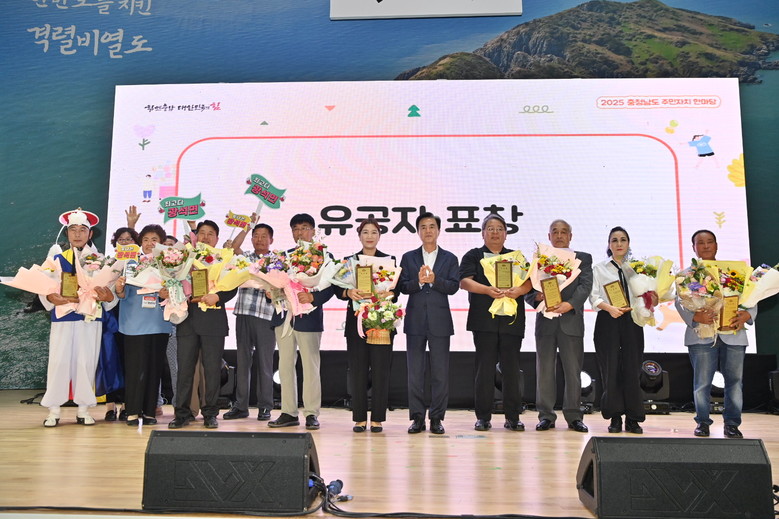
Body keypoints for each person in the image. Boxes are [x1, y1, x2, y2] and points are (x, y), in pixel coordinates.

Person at [39, 208, 117, 427]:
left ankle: (83, 409)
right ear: (67, 233)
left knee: (86, 362)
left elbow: (109, 295)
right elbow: (44, 287)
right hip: (63, 317)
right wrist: (50, 297)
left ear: (90, 234)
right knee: (59, 361)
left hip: (89, 318)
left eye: (83, 230)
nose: (77, 234)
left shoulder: (101, 261)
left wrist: (109, 297)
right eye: (73, 229)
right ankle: (54, 410)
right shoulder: (55, 258)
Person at [675, 229, 754, 438]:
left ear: (716, 245)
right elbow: (679, 302)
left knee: (734, 382)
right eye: (700, 243)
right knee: (702, 383)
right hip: (701, 336)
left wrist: (748, 314)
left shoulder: (733, 271)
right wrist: (695, 317)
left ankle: (732, 424)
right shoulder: (686, 276)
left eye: (710, 241)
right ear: (693, 247)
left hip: (733, 333)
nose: (706, 246)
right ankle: (702, 423)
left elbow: (751, 294)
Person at [459, 214, 532, 432]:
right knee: (484, 369)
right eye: (490, 228)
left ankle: (513, 417)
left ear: (506, 233)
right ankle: (483, 417)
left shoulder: (516, 257)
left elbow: (530, 281)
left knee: (511, 370)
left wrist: (519, 290)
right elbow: (464, 282)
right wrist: (487, 290)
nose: (495, 232)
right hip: (484, 320)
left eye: (499, 228)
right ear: (483, 233)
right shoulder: (473, 255)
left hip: (512, 320)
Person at [167, 220, 237, 429]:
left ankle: (210, 413)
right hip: (187, 319)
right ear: (196, 236)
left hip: (213, 321)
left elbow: (233, 286)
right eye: (202, 233)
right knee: (184, 369)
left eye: (210, 233)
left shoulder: (223, 259)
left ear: (217, 238)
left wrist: (218, 296)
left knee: (212, 370)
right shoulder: (185, 257)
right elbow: (172, 280)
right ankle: (181, 413)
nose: (206, 237)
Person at [525, 219, 593, 433]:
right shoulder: (540, 259)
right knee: (544, 370)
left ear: (570, 236)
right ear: (549, 236)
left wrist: (569, 304)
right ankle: (546, 415)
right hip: (546, 322)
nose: (560, 235)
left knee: (573, 371)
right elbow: (528, 288)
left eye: (564, 232)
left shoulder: (582, 258)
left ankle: (574, 416)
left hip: (570, 320)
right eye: (555, 232)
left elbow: (585, 286)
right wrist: (536, 297)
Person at [268, 214, 334, 430]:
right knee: (285, 365)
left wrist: (313, 297)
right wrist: (272, 292)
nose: (300, 232)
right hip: (284, 317)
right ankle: (288, 412)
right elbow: (275, 283)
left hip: (309, 317)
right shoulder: (284, 257)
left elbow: (331, 286)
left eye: (304, 228)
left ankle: (311, 413)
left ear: (313, 231)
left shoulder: (323, 256)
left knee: (310, 366)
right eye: (295, 228)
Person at [398, 212, 459, 435]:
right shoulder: (408, 257)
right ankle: (417, 418)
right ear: (418, 231)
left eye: (432, 226)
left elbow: (453, 287)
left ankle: (436, 418)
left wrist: (435, 281)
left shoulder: (450, 258)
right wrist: (417, 282)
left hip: (440, 321)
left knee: (440, 373)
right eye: (423, 227)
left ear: (439, 230)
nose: (428, 231)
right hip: (415, 321)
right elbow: (402, 286)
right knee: (415, 373)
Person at [336, 218, 397, 433]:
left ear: (379, 236)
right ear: (359, 236)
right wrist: (348, 292)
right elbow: (337, 289)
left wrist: (389, 293)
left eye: (373, 232)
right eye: (365, 232)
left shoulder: (389, 261)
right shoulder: (349, 262)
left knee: (381, 370)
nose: (369, 236)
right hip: (357, 322)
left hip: (381, 320)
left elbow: (397, 289)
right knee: (358, 371)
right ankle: (359, 418)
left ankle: (378, 418)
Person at [589, 226, 645, 434]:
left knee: (632, 369)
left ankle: (633, 418)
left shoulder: (638, 268)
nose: (619, 244)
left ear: (628, 243)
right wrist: (610, 308)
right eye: (614, 240)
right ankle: (614, 417)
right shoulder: (599, 268)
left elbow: (645, 295)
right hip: (608, 319)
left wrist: (652, 299)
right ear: (609, 244)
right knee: (610, 369)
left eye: (623, 240)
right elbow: (594, 297)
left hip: (632, 320)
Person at [115, 224, 171, 426]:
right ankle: (131, 411)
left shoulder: (169, 265)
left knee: (154, 369)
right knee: (134, 368)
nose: (149, 243)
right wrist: (119, 288)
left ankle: (149, 412)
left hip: (159, 322)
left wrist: (167, 293)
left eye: (154, 240)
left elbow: (176, 294)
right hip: (133, 322)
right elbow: (121, 294)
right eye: (146, 239)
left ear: (162, 243)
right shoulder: (131, 263)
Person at [223, 222, 277, 421]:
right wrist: (246, 227)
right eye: (256, 235)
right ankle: (241, 406)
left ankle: (265, 406)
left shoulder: (277, 261)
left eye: (264, 236)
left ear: (271, 240)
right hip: (244, 313)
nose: (259, 239)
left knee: (265, 363)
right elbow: (234, 247)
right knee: (243, 361)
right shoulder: (245, 257)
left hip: (266, 316)